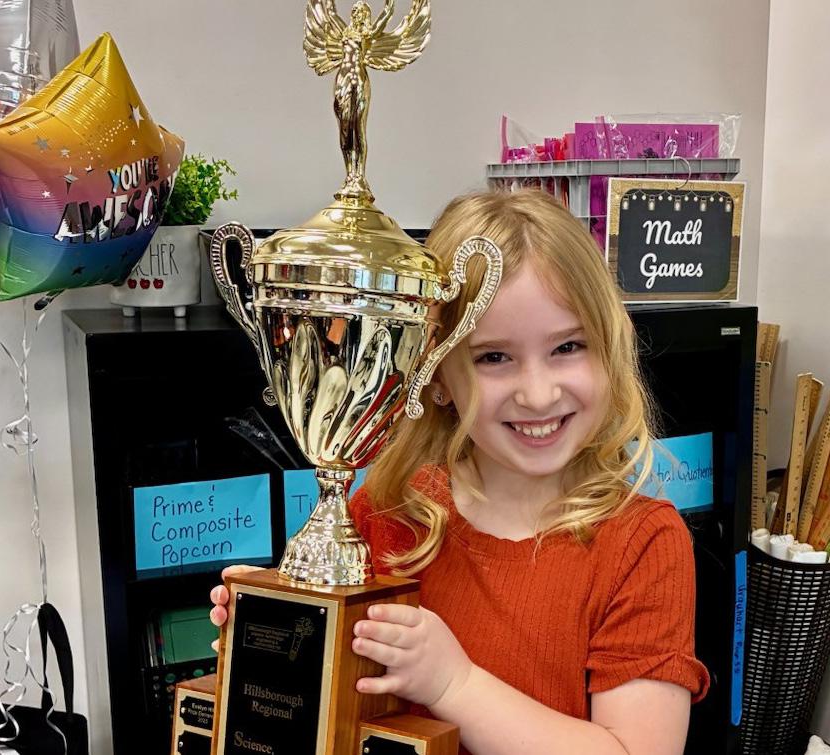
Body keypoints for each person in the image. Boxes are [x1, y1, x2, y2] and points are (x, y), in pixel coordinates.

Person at [210, 189, 709, 755]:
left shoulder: (643, 544)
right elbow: (339, 715)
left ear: (610, 348)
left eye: (568, 347)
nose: (538, 393)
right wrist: (275, 646)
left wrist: (455, 685)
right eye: (494, 356)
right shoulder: (385, 511)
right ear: (436, 371)